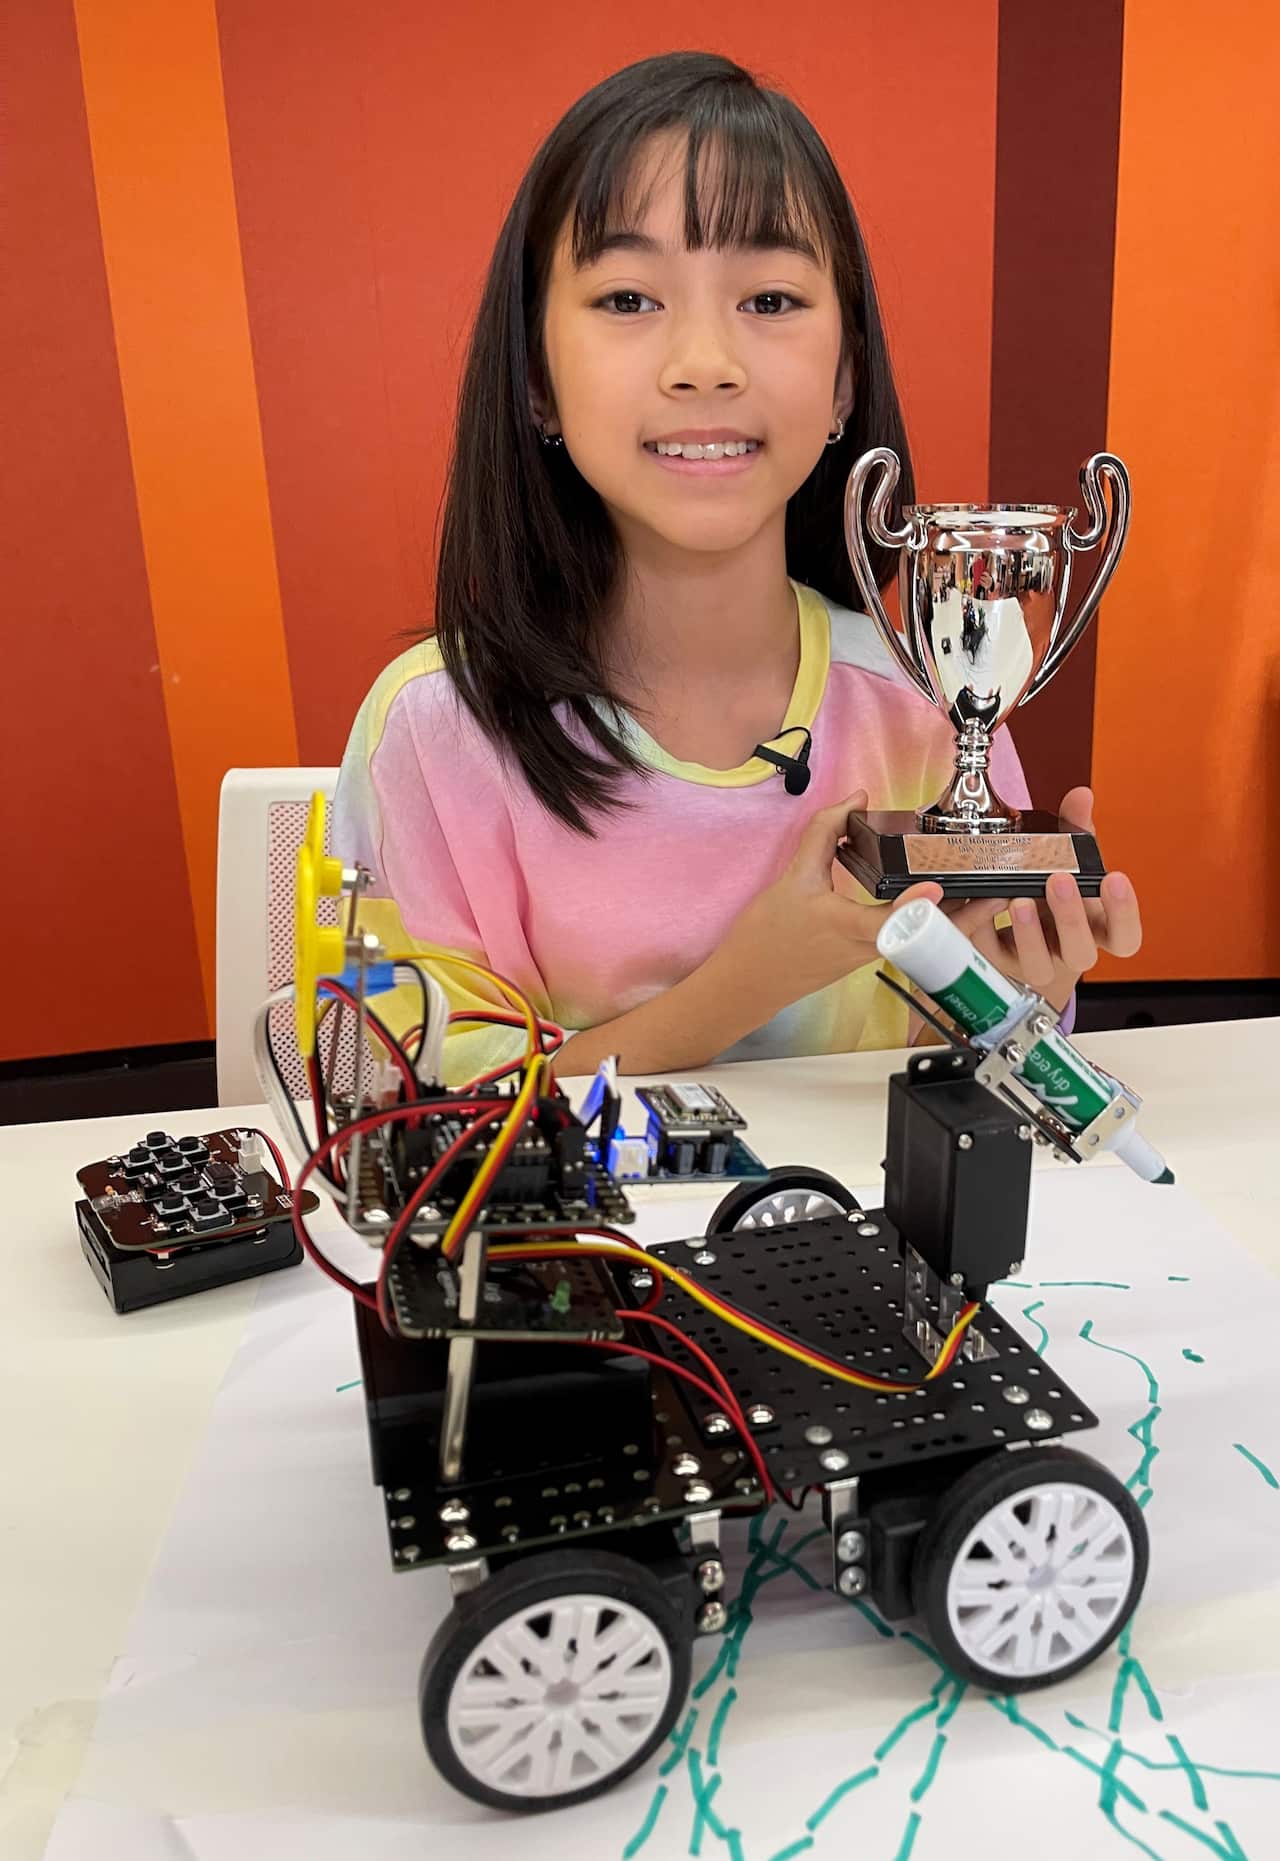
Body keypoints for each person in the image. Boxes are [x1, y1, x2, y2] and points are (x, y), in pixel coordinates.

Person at [332, 51, 1141, 1087]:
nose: (703, 360)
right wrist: (748, 980)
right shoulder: (437, 728)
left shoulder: (919, 706)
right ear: (536, 381)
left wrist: (999, 997)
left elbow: (983, 1094)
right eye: (627, 299)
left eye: (768, 300)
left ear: (845, 377)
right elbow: (419, 1127)